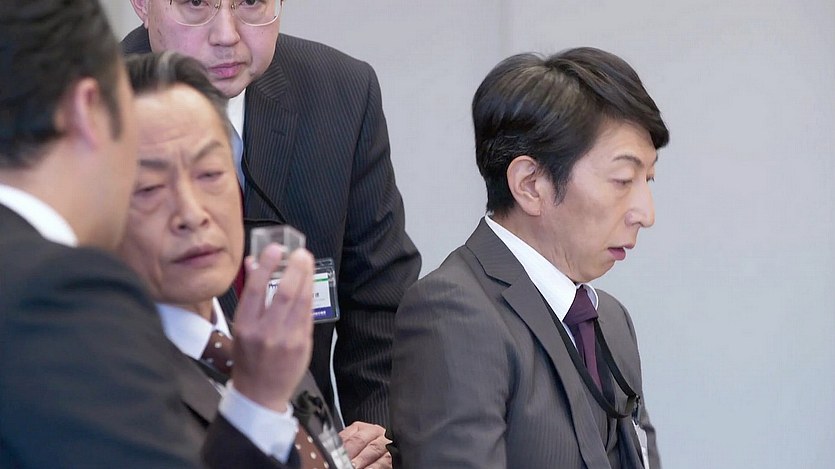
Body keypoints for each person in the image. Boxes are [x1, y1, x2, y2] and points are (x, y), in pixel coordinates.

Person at [0, 2, 319, 467]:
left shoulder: (265, 342)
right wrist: (256, 403)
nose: (191, 213)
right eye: (148, 187)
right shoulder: (64, 300)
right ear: (90, 109)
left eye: (210, 174)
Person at [122, 0, 421, 427]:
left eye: (250, 2)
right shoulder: (86, 117)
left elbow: (380, 302)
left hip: (315, 433)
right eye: (196, 3)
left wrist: (372, 438)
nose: (227, 35)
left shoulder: (340, 92)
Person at [390, 48, 670, 469]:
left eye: (647, 180)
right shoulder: (454, 313)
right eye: (623, 180)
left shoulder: (611, 320)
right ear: (530, 184)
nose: (646, 214)